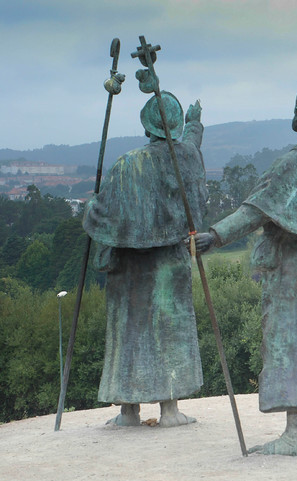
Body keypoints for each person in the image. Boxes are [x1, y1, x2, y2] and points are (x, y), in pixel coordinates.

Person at [194, 64, 297, 455]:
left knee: (296, 340)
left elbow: (253, 212)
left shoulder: (291, 165)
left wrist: (214, 236)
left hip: (294, 268)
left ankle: (295, 434)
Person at [83, 92, 206, 427]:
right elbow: (191, 145)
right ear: (177, 125)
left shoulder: (127, 165)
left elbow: (102, 217)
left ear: (146, 123)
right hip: (168, 263)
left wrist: (93, 205)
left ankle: (128, 410)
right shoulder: (186, 160)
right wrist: (195, 123)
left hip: (130, 268)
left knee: (130, 333)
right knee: (170, 331)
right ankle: (170, 410)